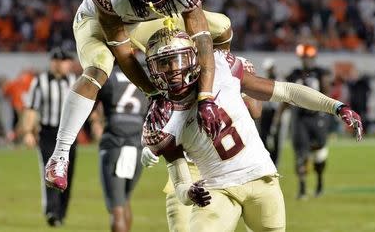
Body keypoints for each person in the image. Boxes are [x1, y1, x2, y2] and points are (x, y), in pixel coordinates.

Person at [45, 0, 233, 190]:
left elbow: (202, 41)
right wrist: (153, 93)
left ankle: (231, 90)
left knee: (222, 26)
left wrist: (206, 95)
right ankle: (59, 154)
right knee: (99, 67)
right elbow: (123, 50)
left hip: (146, 19)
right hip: (98, 23)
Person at [142, 28, 363, 232]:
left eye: (178, 59)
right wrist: (189, 193)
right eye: (163, 63)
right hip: (216, 190)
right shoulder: (161, 116)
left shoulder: (220, 68)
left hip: (260, 179)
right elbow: (180, 182)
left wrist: (335, 106)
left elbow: (286, 92)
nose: (172, 70)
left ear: (193, 57)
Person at [141, 56, 262, 232]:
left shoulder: (227, 65)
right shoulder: (178, 67)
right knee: (180, 228)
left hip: (227, 168)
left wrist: (235, 88)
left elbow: (256, 111)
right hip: (187, 167)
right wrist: (151, 147)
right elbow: (158, 122)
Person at [21, 47, 76, 227]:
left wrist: (96, 123)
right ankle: (51, 211)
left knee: (67, 173)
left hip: (69, 134)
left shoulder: (75, 81)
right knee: (49, 170)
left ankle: (62, 213)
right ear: (52, 62)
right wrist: (28, 132)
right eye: (57, 60)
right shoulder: (40, 81)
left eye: (63, 61)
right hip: (48, 133)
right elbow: (31, 108)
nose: (60, 64)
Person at [93, 61, 148, 232]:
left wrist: (95, 122)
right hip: (138, 145)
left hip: (114, 143)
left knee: (116, 209)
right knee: (125, 200)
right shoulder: (145, 73)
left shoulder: (107, 75)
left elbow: (90, 103)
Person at [275, 44, 334, 199]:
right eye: (304, 57)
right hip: (299, 118)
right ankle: (302, 188)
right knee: (300, 154)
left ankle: (320, 182)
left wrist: (330, 112)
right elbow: (285, 97)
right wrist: (278, 117)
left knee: (319, 154)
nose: (307, 60)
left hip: (317, 117)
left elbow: (327, 93)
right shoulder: (294, 75)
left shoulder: (321, 73)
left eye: (309, 57)